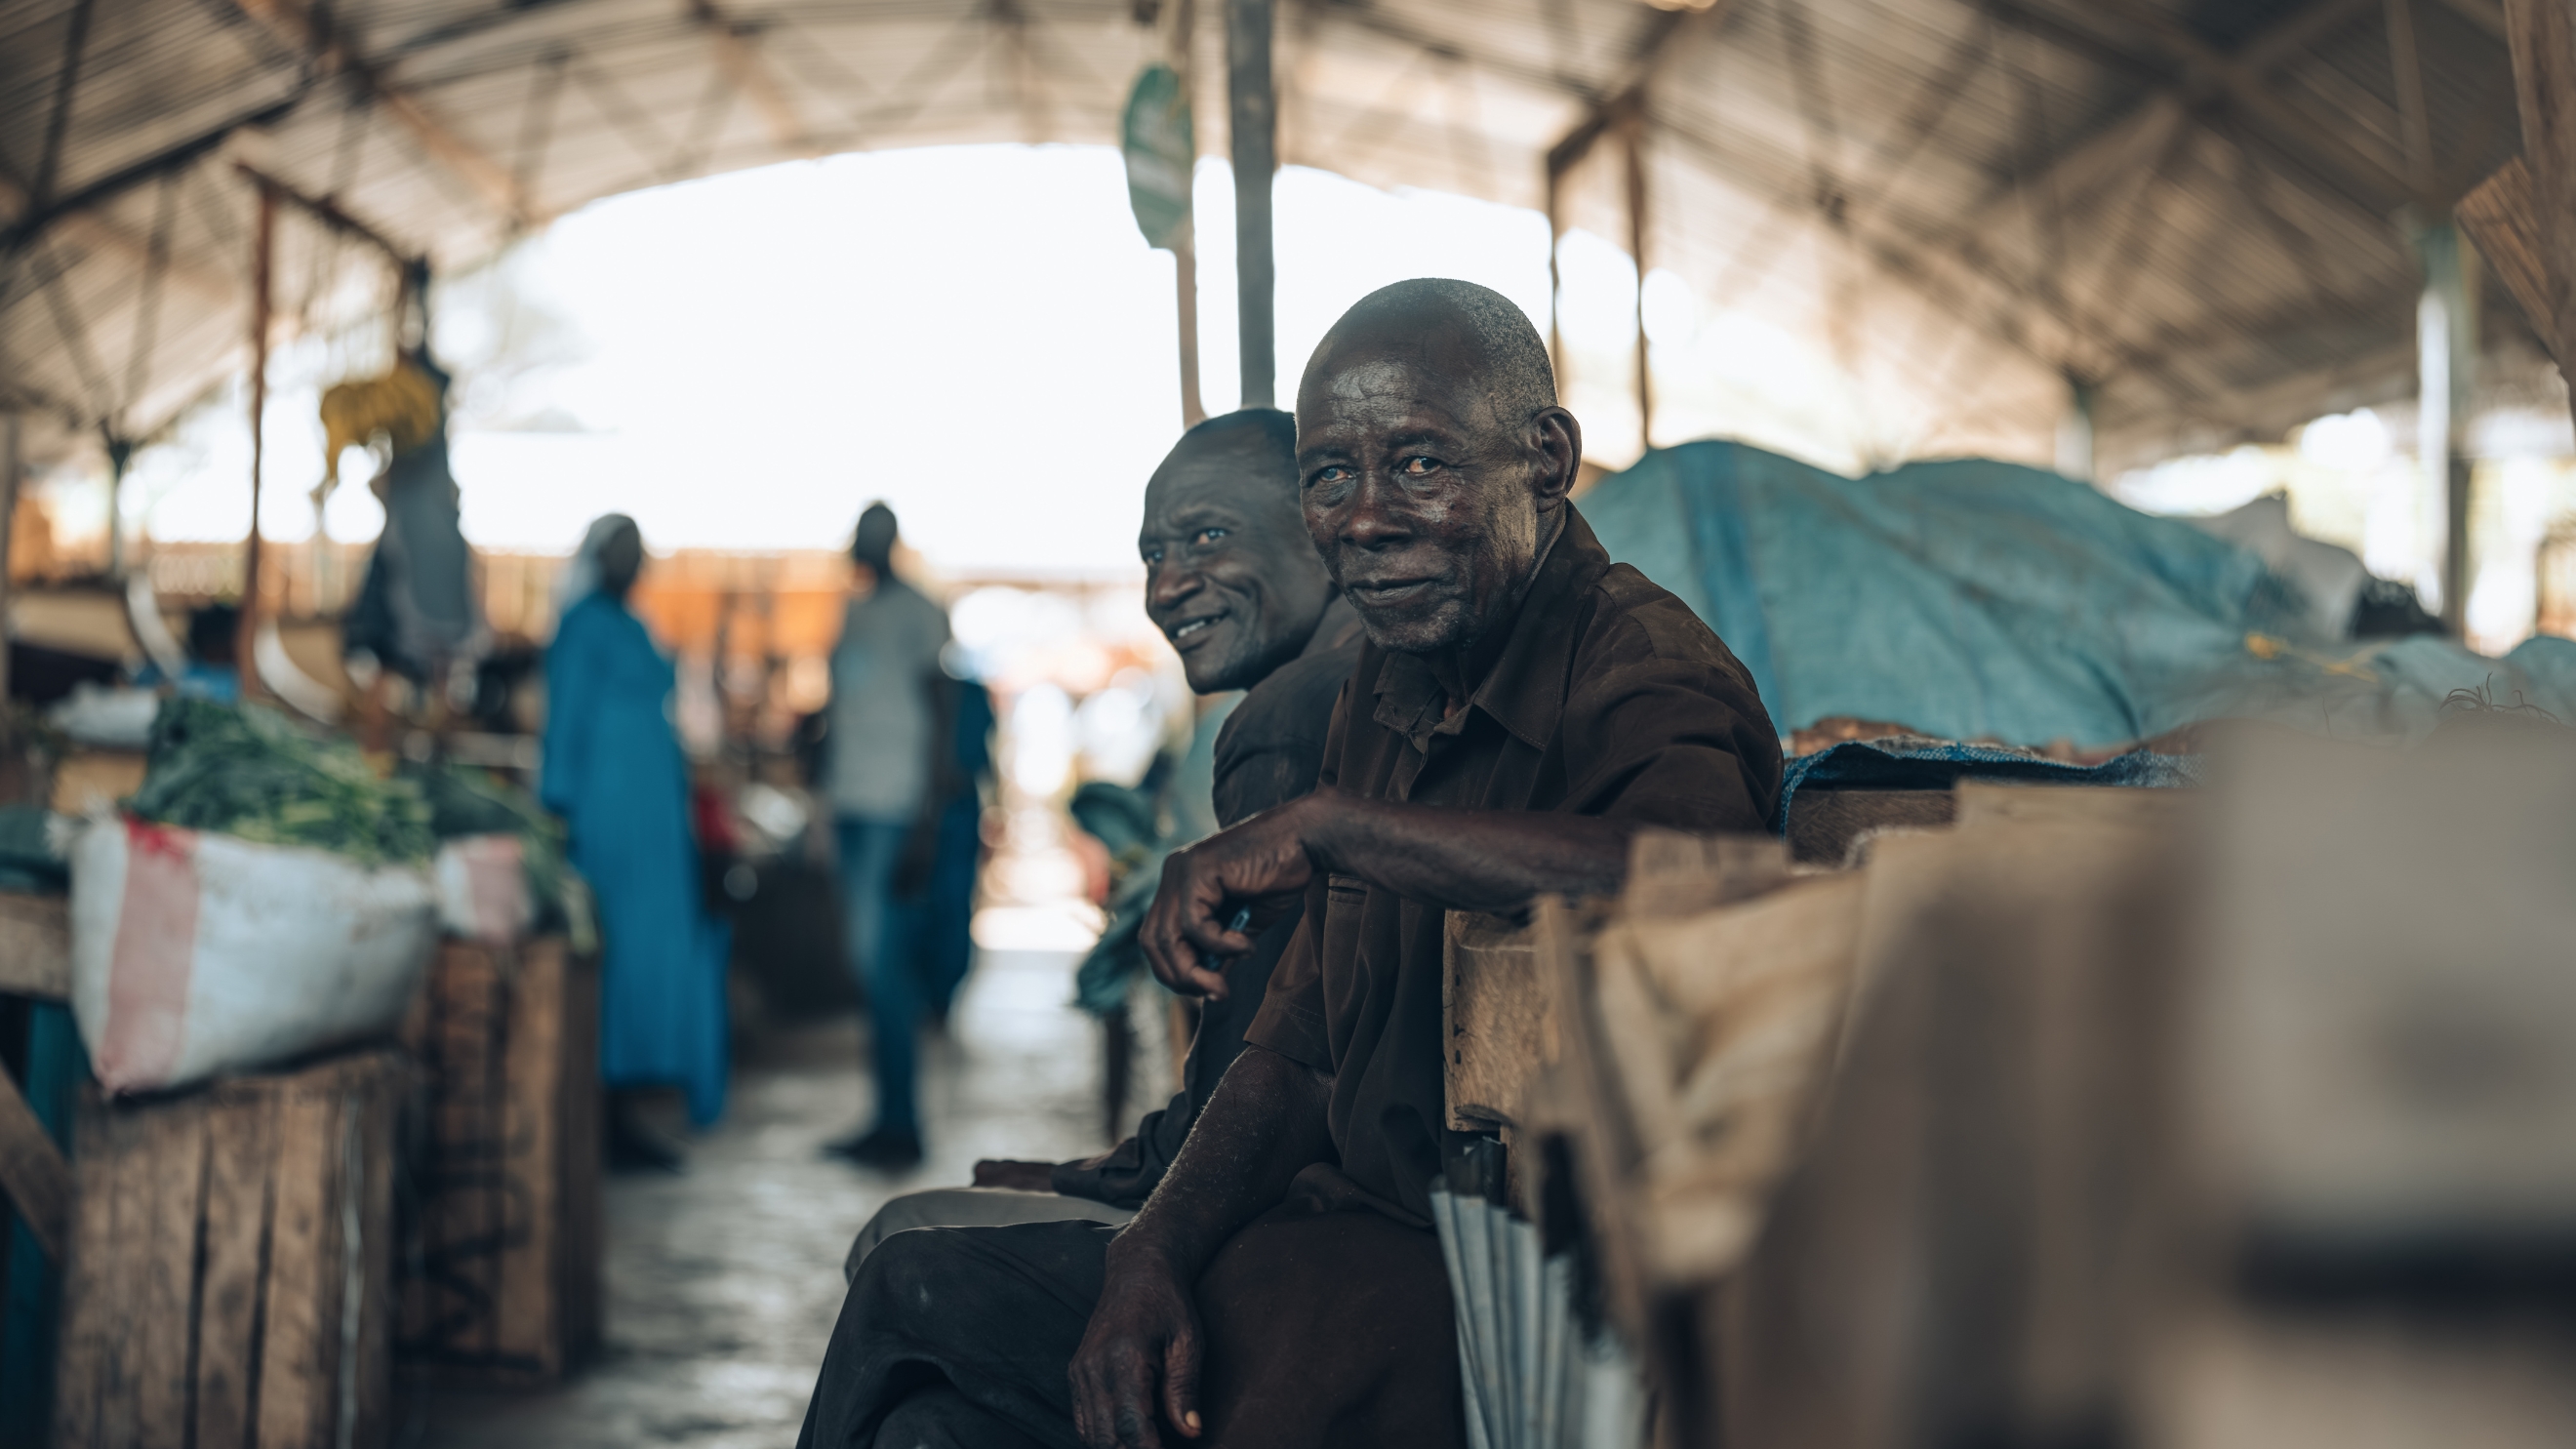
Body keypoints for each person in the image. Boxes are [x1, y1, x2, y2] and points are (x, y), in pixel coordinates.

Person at [796, 279, 1782, 1448]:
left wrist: (1329, 829)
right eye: (1328, 476)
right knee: (930, 1411)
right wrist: (1151, 1252)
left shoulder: (1642, 665)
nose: (1364, 518)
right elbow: (1297, 1047)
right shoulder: (1394, 680)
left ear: (1547, 459)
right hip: (1336, 1235)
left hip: (1503, 1289)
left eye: (1420, 464)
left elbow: (1702, 875)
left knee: (928, 1299)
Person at [839, 408, 1365, 1269]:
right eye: (1155, 555)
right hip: (1323, 1201)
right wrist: (1127, 1160)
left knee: (899, 1243)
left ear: (1317, 525)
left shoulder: (1286, 716)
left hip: (1287, 1235)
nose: (1166, 588)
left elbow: (1267, 1073)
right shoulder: (1368, 677)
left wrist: (1148, 1208)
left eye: (1207, 536)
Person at [541, 514, 732, 1169]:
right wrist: (558, 807)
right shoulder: (580, 627)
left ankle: (633, 1103)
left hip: (654, 821)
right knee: (613, 954)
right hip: (605, 816)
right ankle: (606, 1111)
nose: (631, 561)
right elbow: (563, 722)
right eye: (620, 551)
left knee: (653, 955)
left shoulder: (635, 625)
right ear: (598, 557)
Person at [824, 503, 956, 1171]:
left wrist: (928, 821)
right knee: (869, 968)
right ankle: (886, 1115)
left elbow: (942, 715)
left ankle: (901, 1122)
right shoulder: (853, 612)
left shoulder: (919, 612)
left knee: (883, 966)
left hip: (895, 811)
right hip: (849, 804)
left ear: (892, 542)